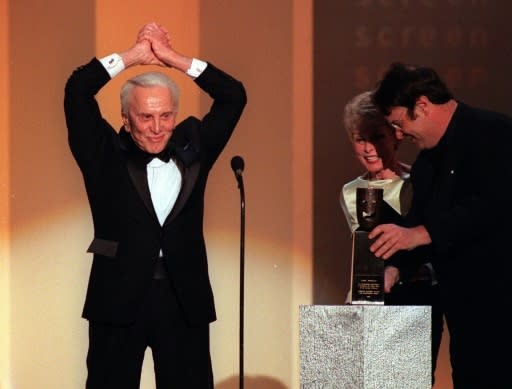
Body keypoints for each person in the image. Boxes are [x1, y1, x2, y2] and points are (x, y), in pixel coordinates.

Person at [64, 22, 246, 389]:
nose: (157, 127)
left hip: (183, 297)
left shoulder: (193, 146)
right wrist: (133, 57)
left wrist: (174, 60)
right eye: (146, 117)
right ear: (126, 119)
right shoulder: (103, 154)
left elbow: (233, 96)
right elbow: (77, 90)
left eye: (166, 116)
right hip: (117, 296)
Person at [368, 62, 512, 389]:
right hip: (465, 316)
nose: (399, 135)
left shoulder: (495, 133)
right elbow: (418, 227)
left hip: (502, 305)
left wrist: (421, 233)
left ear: (422, 106)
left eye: (399, 124)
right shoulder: (427, 164)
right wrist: (394, 267)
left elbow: (494, 204)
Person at [339, 91, 443, 384]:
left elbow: (434, 248)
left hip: (418, 303)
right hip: (373, 305)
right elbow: (364, 251)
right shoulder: (350, 192)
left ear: (396, 136)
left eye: (378, 137)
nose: (369, 148)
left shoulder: (419, 183)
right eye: (360, 139)